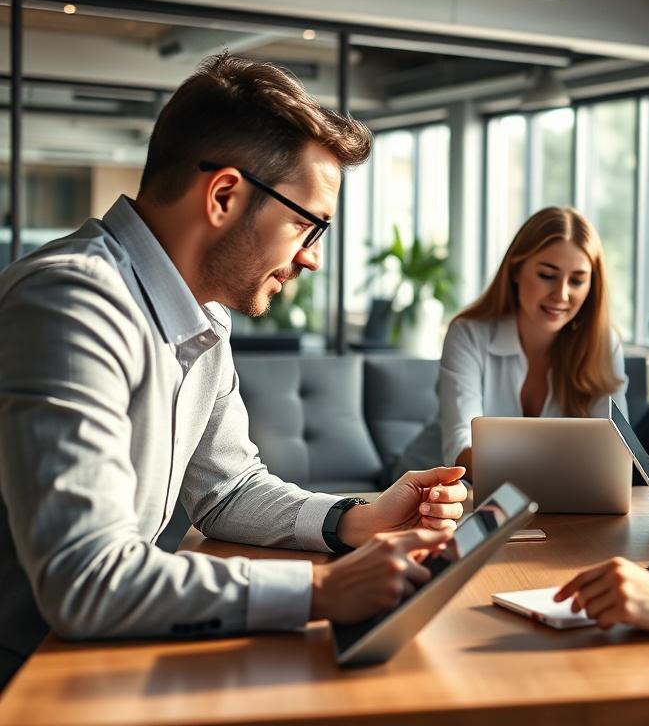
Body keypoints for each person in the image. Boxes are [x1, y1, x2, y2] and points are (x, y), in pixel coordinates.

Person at [0, 54, 468, 687]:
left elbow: (227, 492)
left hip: (96, 657)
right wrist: (320, 592)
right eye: (306, 225)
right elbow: (86, 576)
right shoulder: (72, 304)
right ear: (223, 195)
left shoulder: (202, 318)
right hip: (28, 675)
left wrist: (357, 520)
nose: (312, 261)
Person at [396, 206, 628, 476]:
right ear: (517, 270)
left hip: (532, 496)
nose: (561, 295)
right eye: (547, 275)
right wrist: (554, 469)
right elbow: (461, 448)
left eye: (577, 281)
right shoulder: (468, 334)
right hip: (426, 484)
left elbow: (613, 449)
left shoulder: (603, 344)